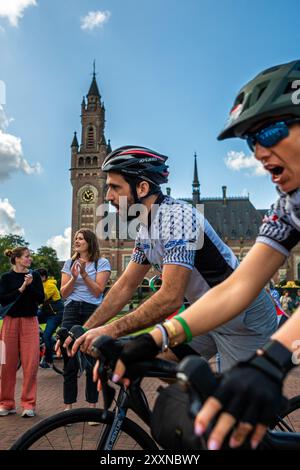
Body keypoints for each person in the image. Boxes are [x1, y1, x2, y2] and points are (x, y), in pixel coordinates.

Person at [109, 59, 300, 451]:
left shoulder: (176, 216)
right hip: (225, 317)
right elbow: (241, 283)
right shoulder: (289, 206)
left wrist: (273, 359)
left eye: (271, 130)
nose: (259, 151)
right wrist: (152, 339)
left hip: (248, 327)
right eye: (251, 141)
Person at [67, 145, 277, 373]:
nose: (108, 197)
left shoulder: (177, 218)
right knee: (162, 364)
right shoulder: (145, 229)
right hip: (207, 312)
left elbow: (170, 298)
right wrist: (84, 329)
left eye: (115, 188)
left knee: (234, 403)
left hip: (243, 318)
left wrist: (110, 330)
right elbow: (125, 286)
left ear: (143, 187)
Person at [59, 228, 111, 414]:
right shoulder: (69, 263)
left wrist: (84, 274)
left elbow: (98, 291)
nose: (77, 241)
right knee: (69, 360)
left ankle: (92, 407)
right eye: (75, 238)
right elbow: (63, 293)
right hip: (71, 310)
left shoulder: (101, 263)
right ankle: (68, 407)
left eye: (80, 238)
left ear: (89, 242)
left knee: (91, 359)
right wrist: (74, 277)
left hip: (91, 312)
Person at [0, 247, 44, 417]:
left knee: (31, 364)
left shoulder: (35, 276)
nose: (30, 259)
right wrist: (22, 287)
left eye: (29, 256)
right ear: (17, 259)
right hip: (10, 322)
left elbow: (40, 298)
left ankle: (28, 404)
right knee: (6, 364)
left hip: (30, 322)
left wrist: (31, 285)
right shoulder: (6, 278)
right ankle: (6, 403)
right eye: (26, 256)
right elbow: (3, 299)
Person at [36, 268, 64, 368]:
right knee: (30, 317)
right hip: (46, 313)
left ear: (43, 277)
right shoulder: (40, 285)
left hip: (55, 314)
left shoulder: (50, 285)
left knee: (47, 336)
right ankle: (39, 334)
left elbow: (41, 298)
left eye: (37, 277)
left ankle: (48, 360)